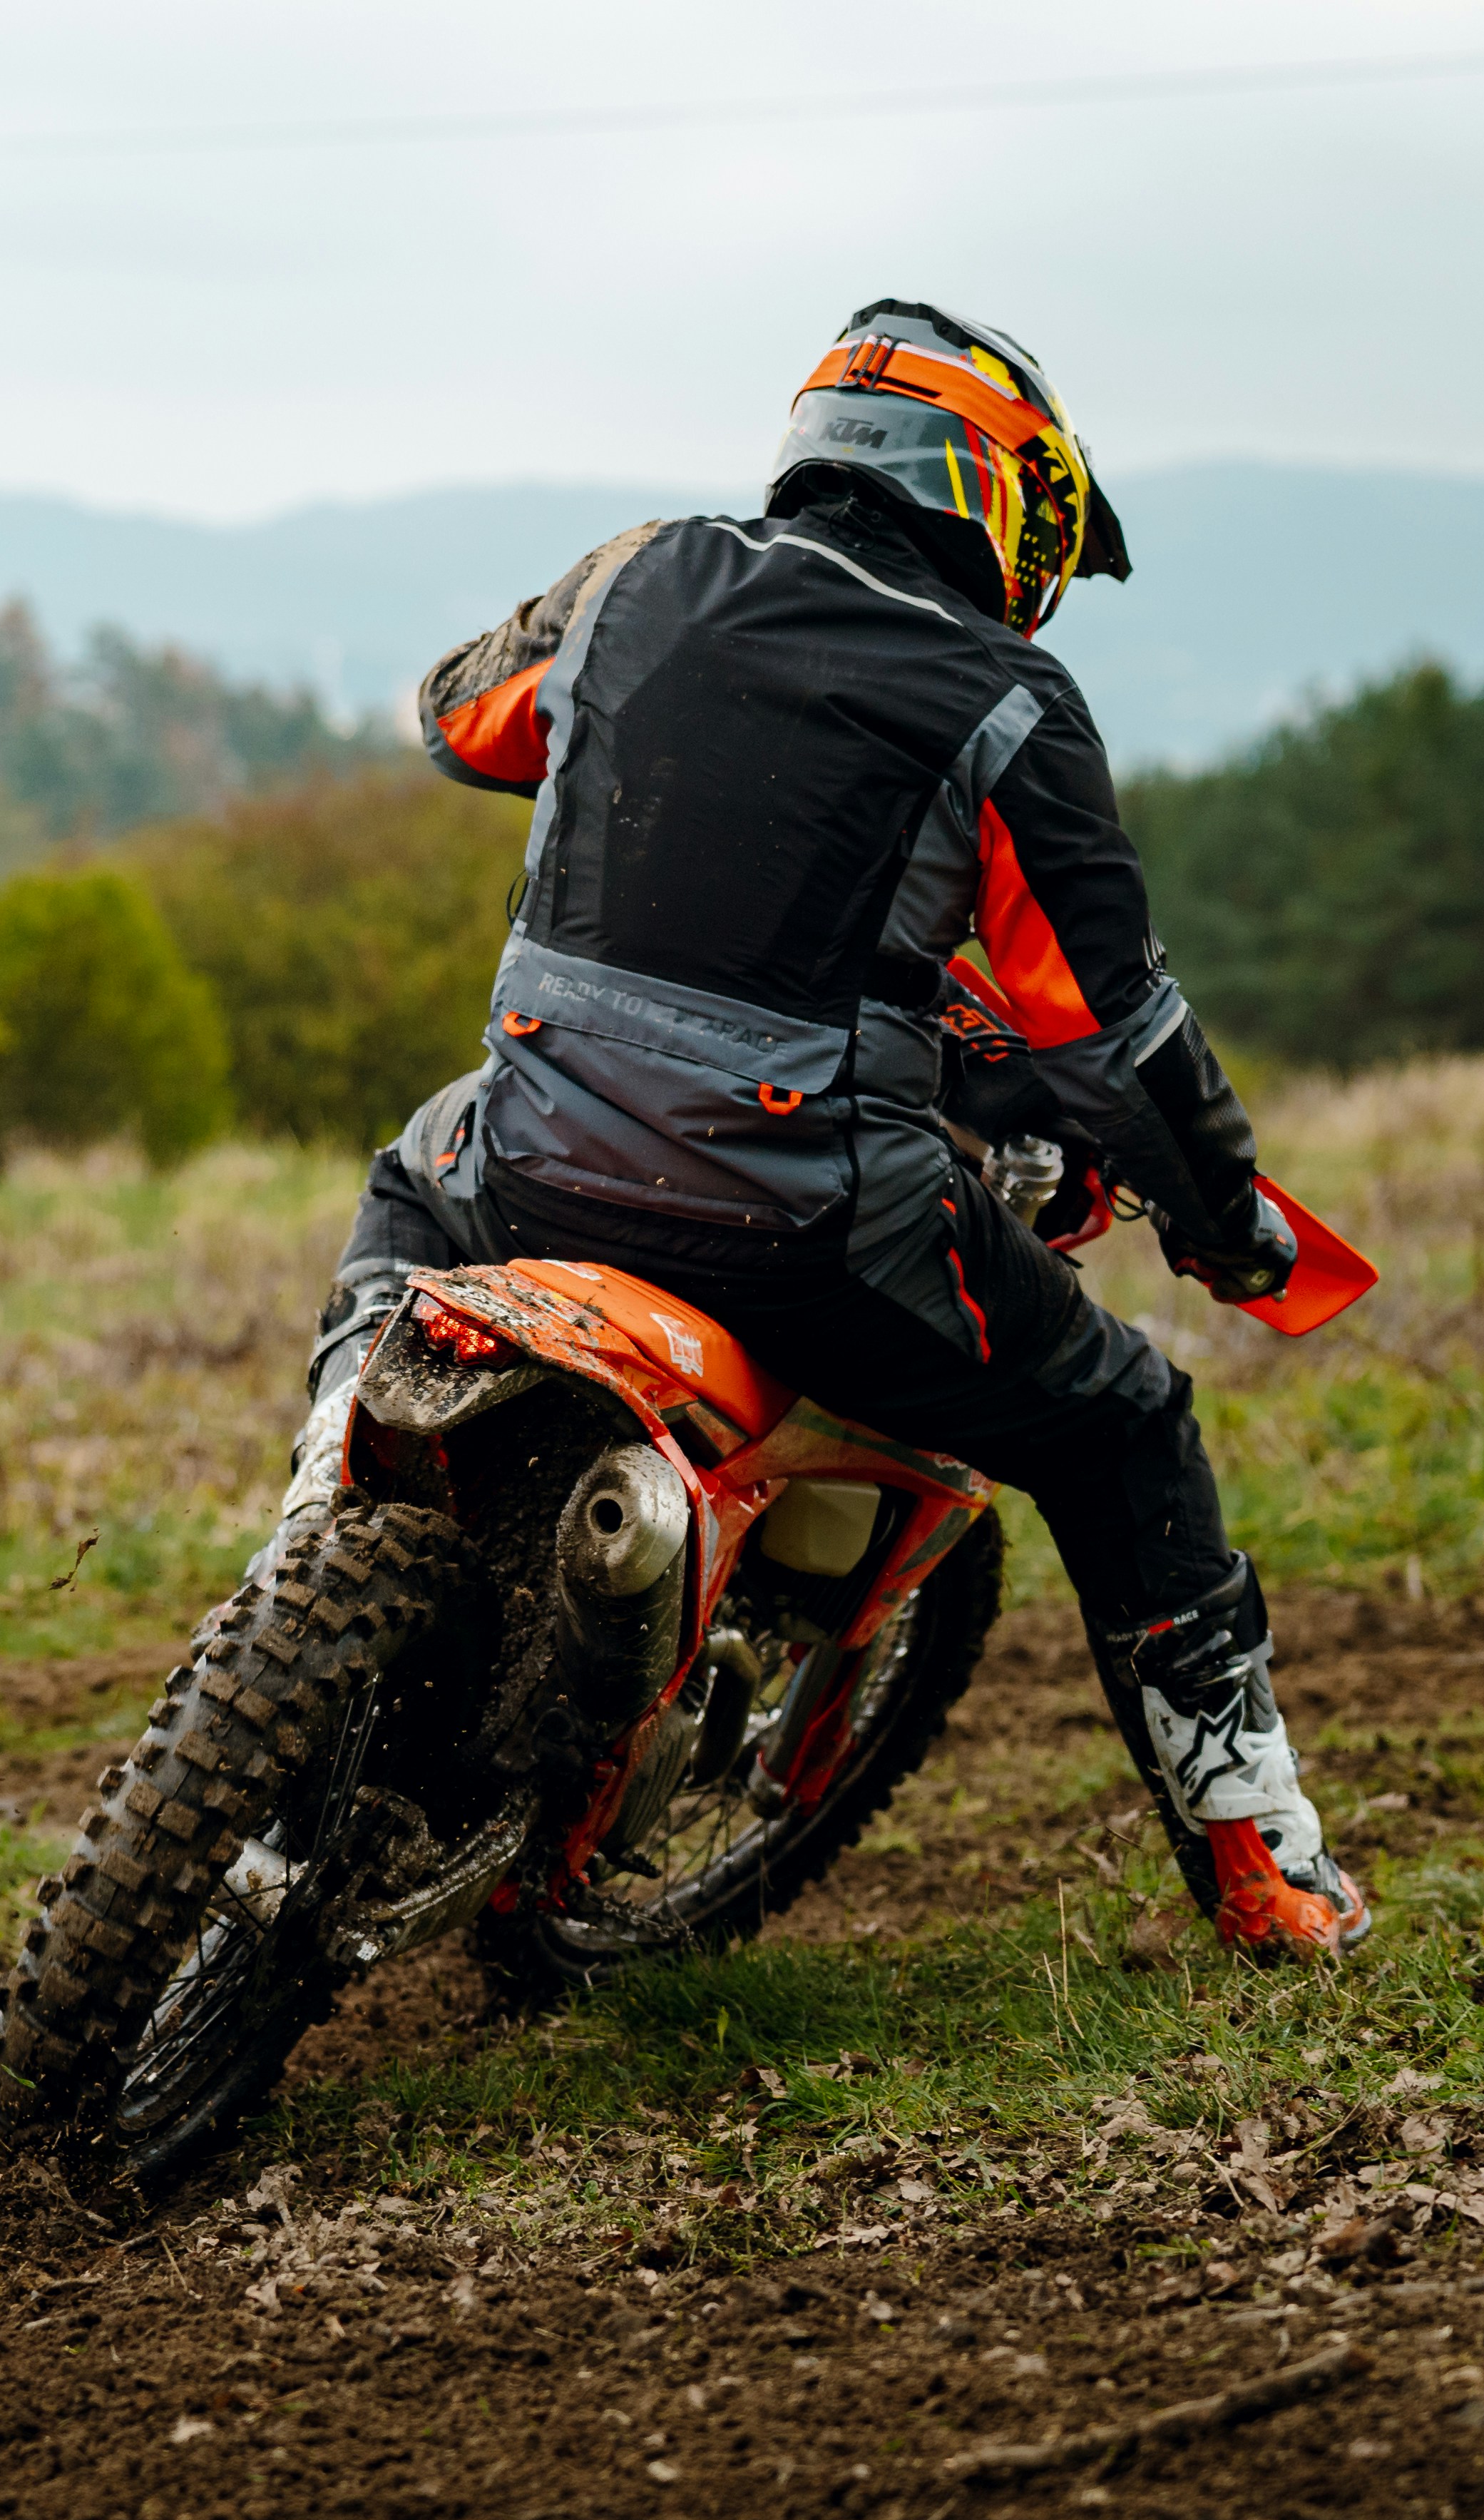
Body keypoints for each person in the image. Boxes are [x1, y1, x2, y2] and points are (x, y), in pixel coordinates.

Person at [272, 300, 1365, 1959]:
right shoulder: (1005, 699)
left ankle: (304, 1547)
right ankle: (1261, 1869)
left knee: (410, 1175)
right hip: (811, 1222)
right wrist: (1223, 1222)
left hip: (535, 1154)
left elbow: (453, 718)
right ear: (992, 493)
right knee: (1125, 1427)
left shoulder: (633, 580)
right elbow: (1110, 1032)